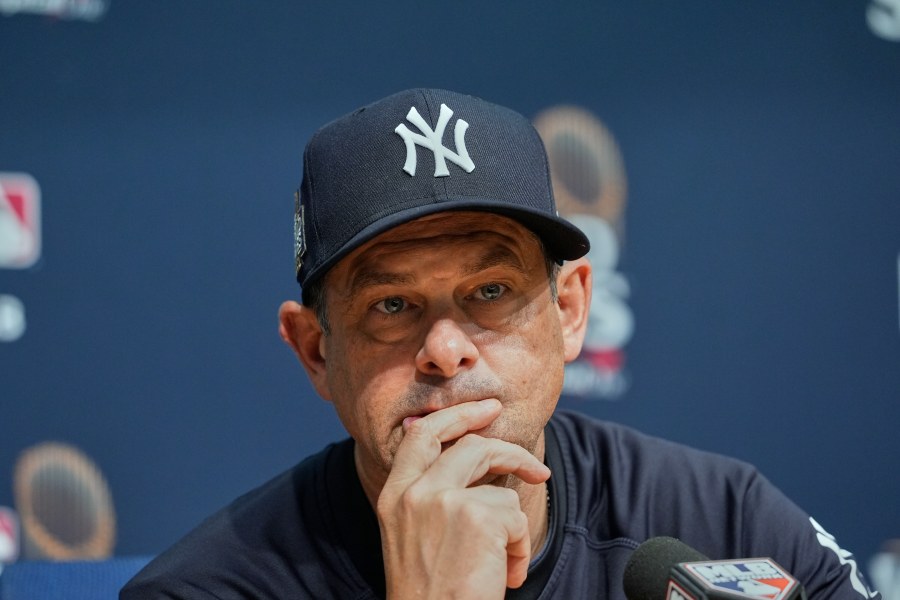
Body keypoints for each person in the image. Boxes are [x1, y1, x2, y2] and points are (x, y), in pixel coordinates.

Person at [121, 88, 880, 599]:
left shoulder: (722, 521)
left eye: (491, 291)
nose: (446, 350)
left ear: (571, 310)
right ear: (316, 351)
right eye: (392, 305)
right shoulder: (212, 589)